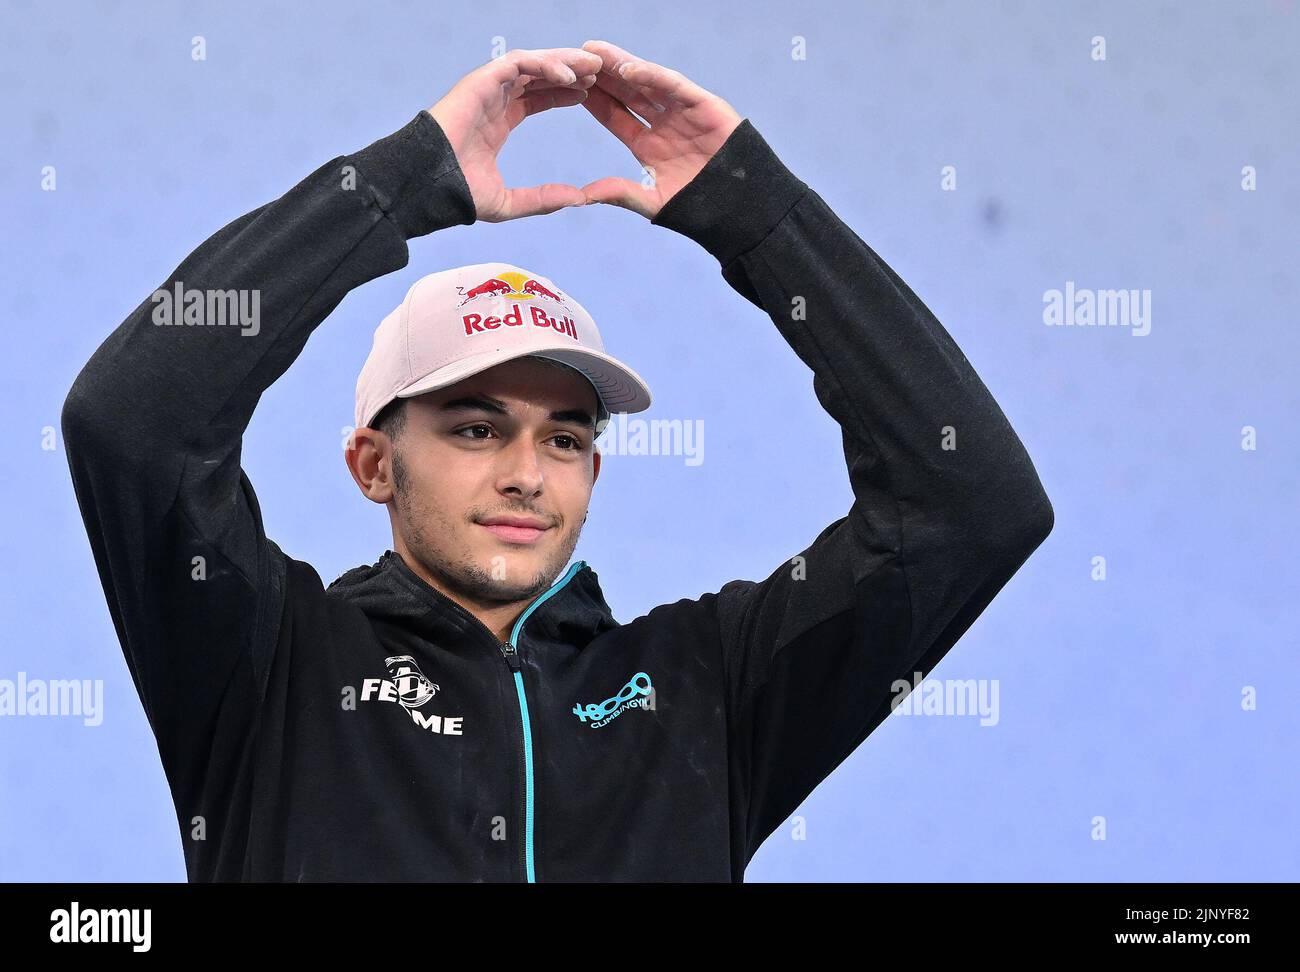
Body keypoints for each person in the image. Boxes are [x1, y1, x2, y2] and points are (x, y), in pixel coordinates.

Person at [61, 40, 1053, 882]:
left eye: (567, 439)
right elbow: (133, 423)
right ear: (371, 464)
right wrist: (404, 178)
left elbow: (970, 507)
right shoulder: (270, 661)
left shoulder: (706, 688)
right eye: (475, 427)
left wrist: (757, 216)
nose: (528, 473)